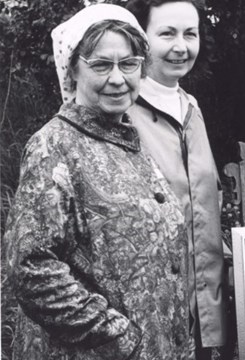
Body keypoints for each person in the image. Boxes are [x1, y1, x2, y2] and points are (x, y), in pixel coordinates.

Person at [4, 4, 191, 359]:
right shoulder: (54, 145)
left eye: (129, 63)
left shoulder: (129, 143)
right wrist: (120, 339)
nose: (118, 78)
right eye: (101, 65)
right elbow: (32, 270)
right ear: (73, 70)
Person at [124, 0, 231, 359]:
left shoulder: (192, 108)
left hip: (203, 307)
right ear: (141, 38)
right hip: (145, 316)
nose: (181, 47)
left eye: (191, 33)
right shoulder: (120, 111)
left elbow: (205, 205)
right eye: (167, 33)